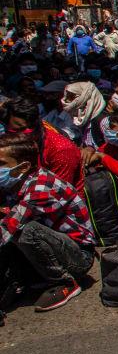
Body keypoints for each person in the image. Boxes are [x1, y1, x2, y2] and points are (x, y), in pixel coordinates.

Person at [0, 133, 95, 312]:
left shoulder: (41, 188)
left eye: (2, 164)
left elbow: (8, 227)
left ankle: (65, 282)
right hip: (54, 245)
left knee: (25, 230)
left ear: (24, 167)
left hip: (78, 256)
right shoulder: (18, 182)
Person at [4, 96, 84, 192]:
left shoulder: (60, 149)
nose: (20, 136)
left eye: (25, 130)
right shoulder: (15, 139)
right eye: (14, 131)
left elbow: (57, 194)